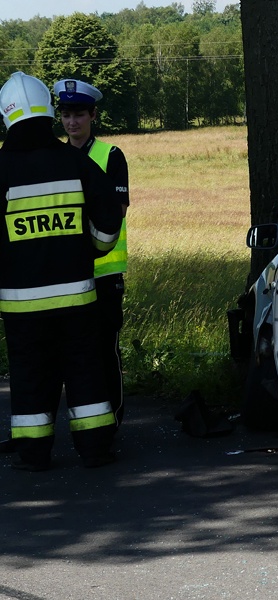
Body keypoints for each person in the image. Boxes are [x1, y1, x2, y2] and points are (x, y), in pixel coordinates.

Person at [0, 71, 123, 470]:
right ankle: (95, 449)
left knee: (29, 375)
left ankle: (34, 455)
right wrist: (89, 250)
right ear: (50, 113)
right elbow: (107, 225)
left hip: (19, 305)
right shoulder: (76, 162)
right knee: (86, 370)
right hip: (78, 296)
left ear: (7, 116)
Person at [53, 78, 130, 432]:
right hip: (65, 273)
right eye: (66, 114)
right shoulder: (54, 156)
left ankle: (111, 421)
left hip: (104, 272)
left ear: (93, 115)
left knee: (103, 351)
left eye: (79, 114)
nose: (72, 122)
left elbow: (115, 211)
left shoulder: (111, 156)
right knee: (63, 355)